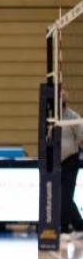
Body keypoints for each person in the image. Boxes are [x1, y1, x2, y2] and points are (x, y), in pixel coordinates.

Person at [59, 89, 83, 240]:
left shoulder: (73, 117)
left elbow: (81, 138)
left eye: (63, 94)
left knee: (65, 196)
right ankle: (79, 226)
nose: (61, 96)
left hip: (70, 160)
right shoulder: (50, 117)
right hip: (55, 162)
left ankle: (65, 230)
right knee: (62, 196)